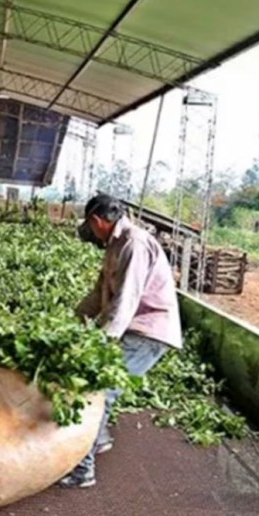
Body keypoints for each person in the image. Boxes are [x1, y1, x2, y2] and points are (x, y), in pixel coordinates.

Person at [61, 194, 183, 488]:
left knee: (98, 391)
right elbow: (99, 294)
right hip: (134, 328)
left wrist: (100, 343)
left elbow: (126, 301)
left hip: (148, 331)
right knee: (100, 388)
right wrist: (72, 323)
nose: (89, 234)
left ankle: (82, 470)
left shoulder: (133, 244)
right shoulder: (115, 245)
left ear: (97, 221)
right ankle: (99, 438)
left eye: (89, 228)